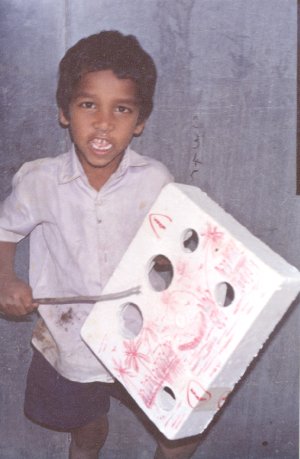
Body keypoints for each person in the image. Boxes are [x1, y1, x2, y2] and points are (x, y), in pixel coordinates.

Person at [0, 31, 201, 459]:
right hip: (72, 341)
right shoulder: (40, 181)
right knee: (87, 427)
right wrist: (5, 278)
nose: (104, 123)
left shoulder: (155, 180)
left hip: (143, 336)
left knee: (182, 432)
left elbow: (181, 252)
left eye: (122, 109)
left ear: (140, 121)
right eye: (88, 104)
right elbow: (5, 229)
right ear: (64, 112)